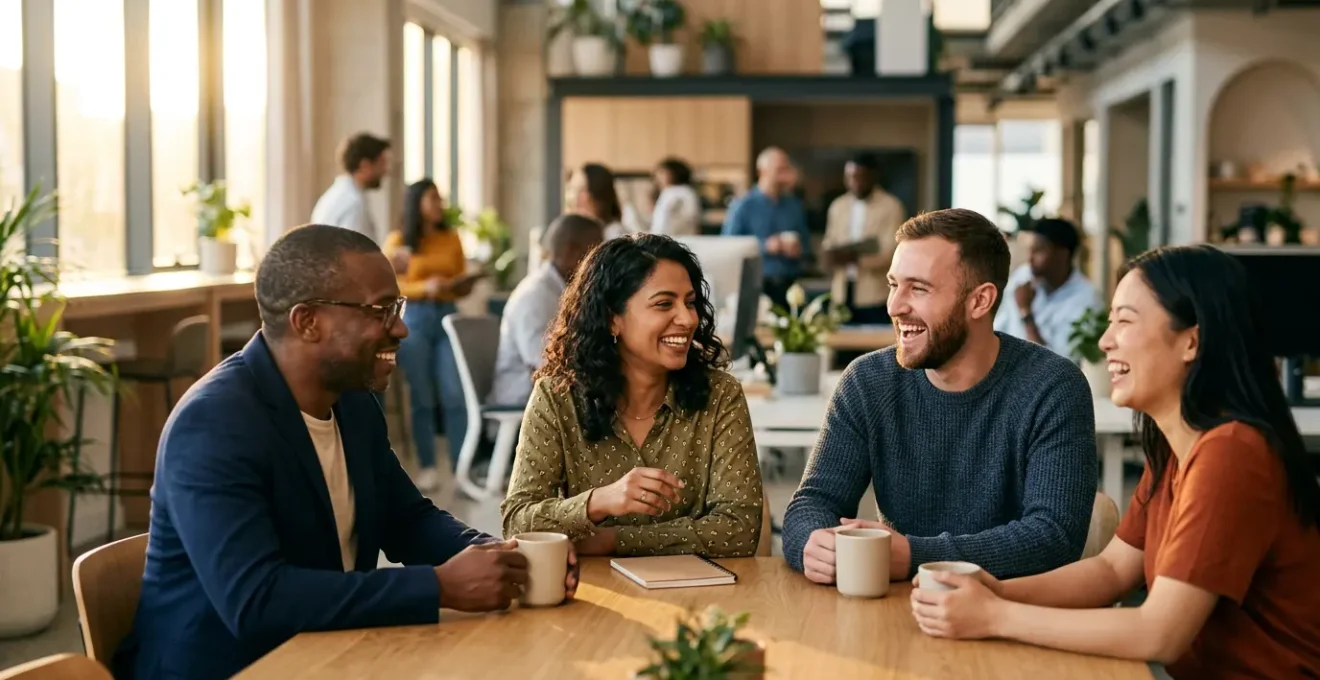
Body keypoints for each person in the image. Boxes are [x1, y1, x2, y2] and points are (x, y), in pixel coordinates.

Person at [114, 224, 578, 680]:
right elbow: (256, 601)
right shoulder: (215, 424)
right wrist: (438, 586)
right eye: (379, 310)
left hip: (328, 652)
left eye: (396, 307)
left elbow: (407, 519)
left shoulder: (351, 401)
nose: (400, 328)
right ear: (307, 322)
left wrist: (499, 556)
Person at [909, 245, 1320, 679]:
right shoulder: (1175, 448)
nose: (1106, 341)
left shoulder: (1232, 453)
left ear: (1191, 341)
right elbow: (1111, 570)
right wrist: (998, 591)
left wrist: (995, 616)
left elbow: (1160, 632)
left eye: (1124, 321)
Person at [782, 208, 1097, 584]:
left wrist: (916, 556)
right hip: (897, 612)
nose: (895, 306)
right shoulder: (868, 382)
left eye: (918, 288)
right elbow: (812, 503)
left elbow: (1054, 536)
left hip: (1013, 616)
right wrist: (814, 543)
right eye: (893, 284)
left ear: (980, 301)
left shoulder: (1053, 387)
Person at [500, 234, 764, 557]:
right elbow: (517, 522)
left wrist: (610, 540)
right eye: (664, 304)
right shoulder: (557, 398)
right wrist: (600, 501)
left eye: (690, 302)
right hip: (590, 598)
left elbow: (739, 529)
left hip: (701, 596)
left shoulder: (721, 394)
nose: (688, 318)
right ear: (613, 318)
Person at [381, 180, 478, 491]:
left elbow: (461, 275)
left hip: (448, 314)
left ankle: (462, 469)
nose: (439, 203)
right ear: (416, 203)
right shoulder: (398, 241)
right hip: (415, 318)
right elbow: (386, 284)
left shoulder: (451, 238)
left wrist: (460, 284)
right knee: (421, 396)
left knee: (454, 394)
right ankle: (427, 466)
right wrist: (425, 287)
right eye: (433, 198)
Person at [490, 213, 605, 407]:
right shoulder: (534, 296)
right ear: (571, 251)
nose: (602, 263)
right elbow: (545, 365)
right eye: (597, 252)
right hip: (523, 398)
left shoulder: (563, 290)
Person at [994, 217, 1102, 358]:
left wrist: (1026, 312)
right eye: (1030, 250)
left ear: (1062, 254)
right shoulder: (1023, 277)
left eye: (1038, 250)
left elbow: (1059, 365)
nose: (1030, 258)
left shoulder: (1087, 299)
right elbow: (998, 329)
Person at [821, 153, 906, 326]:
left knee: (873, 349)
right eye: (850, 177)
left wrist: (854, 258)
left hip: (874, 294)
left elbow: (891, 253)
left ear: (873, 177)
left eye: (860, 177)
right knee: (841, 350)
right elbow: (829, 242)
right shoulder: (838, 206)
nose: (855, 182)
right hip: (842, 293)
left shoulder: (891, 206)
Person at [722, 147, 812, 309]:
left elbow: (807, 246)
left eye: (786, 168)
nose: (785, 174)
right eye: (780, 169)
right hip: (756, 286)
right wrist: (765, 246)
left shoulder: (794, 205)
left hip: (789, 286)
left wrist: (799, 249)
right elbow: (728, 245)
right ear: (762, 171)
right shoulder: (743, 205)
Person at [311, 133, 392, 244]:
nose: (385, 171)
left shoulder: (334, 196)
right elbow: (356, 255)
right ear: (365, 166)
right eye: (381, 164)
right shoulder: (354, 203)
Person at [566, 162, 626, 240]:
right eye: (573, 190)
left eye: (582, 190)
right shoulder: (574, 234)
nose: (575, 197)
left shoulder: (614, 235)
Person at [648, 157, 702, 237]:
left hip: (678, 238)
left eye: (663, 173)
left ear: (675, 174)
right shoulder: (669, 192)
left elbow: (665, 222)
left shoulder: (680, 192)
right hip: (672, 238)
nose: (658, 177)